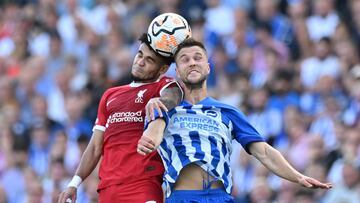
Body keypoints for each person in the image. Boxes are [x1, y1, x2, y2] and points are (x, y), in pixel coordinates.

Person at [137, 38, 332, 202]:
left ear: (208, 67)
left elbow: (263, 152)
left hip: (220, 197)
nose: (192, 63)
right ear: (177, 71)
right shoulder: (165, 108)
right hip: (183, 197)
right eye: (185, 60)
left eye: (198, 58)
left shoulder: (227, 111)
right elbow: (151, 137)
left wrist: (297, 176)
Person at [58, 33, 182, 203]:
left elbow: (174, 96)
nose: (140, 62)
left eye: (149, 60)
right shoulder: (110, 95)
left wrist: (159, 101)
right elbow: (95, 147)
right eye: (139, 55)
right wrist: (74, 183)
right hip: (108, 188)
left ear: (162, 69)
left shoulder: (162, 86)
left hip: (144, 184)